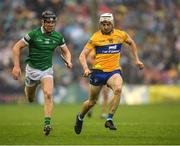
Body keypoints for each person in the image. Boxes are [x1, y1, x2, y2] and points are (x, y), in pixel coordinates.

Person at [74, 13, 144, 134]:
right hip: (98, 72)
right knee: (92, 102)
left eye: (108, 24)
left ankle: (109, 118)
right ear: (100, 24)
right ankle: (80, 117)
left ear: (112, 24)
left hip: (114, 71)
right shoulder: (95, 37)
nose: (105, 27)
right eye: (103, 24)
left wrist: (136, 59)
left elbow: (131, 42)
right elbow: (82, 55)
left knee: (118, 89)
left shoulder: (120, 35)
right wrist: (85, 68)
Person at [11, 10, 72, 136]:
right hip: (32, 70)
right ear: (42, 22)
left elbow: (66, 51)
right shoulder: (33, 34)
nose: (50, 24)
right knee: (30, 98)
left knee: (48, 94)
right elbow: (16, 47)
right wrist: (16, 66)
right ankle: (29, 87)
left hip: (47, 70)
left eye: (53, 22)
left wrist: (69, 61)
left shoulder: (58, 36)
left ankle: (47, 124)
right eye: (48, 22)